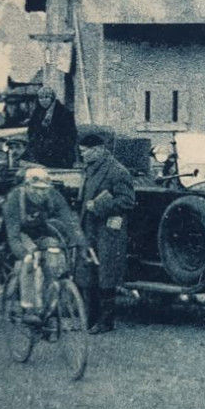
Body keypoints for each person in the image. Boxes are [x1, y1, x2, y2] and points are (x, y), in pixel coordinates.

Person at [2, 164, 86, 314]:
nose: (40, 193)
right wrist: (24, 253)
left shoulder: (53, 196)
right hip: (21, 234)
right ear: (27, 186)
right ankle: (29, 308)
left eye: (44, 189)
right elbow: (13, 235)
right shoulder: (15, 199)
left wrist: (81, 243)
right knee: (30, 260)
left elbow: (69, 220)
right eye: (36, 188)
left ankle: (49, 301)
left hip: (42, 232)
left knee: (55, 256)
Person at [77, 133, 135, 333]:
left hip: (108, 231)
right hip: (91, 229)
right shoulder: (91, 168)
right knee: (90, 274)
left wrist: (99, 206)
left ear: (98, 150)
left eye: (84, 152)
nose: (82, 155)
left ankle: (106, 322)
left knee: (106, 275)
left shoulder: (117, 171)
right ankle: (90, 320)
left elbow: (127, 200)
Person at [25, 86, 78, 169]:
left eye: (47, 97)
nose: (43, 100)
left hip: (60, 153)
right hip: (41, 153)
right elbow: (31, 132)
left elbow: (71, 135)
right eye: (41, 98)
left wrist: (57, 145)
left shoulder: (63, 113)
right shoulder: (37, 113)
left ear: (52, 98)